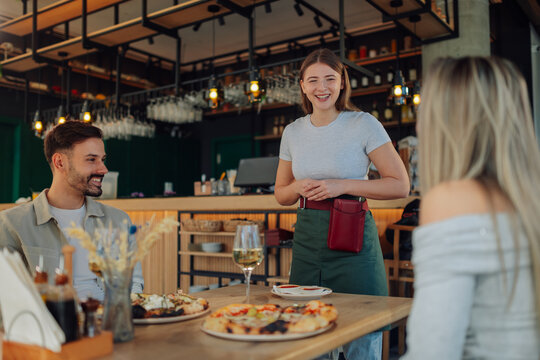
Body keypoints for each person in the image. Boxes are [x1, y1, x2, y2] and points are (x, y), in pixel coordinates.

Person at [274, 48, 409, 360]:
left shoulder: (363, 124)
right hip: (308, 240)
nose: (322, 87)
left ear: (342, 83)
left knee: (364, 332)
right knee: (308, 331)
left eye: (330, 79)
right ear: (303, 86)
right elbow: (281, 195)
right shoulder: (293, 131)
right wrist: (296, 186)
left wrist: (341, 185)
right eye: (314, 80)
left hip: (354, 240)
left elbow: (400, 184)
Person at [402, 57, 540, 359]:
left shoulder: (452, 199)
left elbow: (433, 351)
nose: (418, 122)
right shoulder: (530, 196)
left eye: (425, 110)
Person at [0, 120, 144, 301]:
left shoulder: (119, 220)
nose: (104, 169)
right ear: (60, 162)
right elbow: (6, 294)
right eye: (91, 159)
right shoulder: (11, 223)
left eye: (102, 160)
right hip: (51, 324)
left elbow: (134, 283)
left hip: (108, 322)